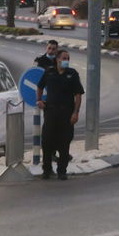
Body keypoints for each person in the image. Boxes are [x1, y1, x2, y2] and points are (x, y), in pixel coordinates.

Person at [36, 48, 84, 179]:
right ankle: (46, 170)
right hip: (51, 112)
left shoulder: (72, 74)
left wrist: (75, 113)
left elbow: (78, 95)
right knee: (47, 141)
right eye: (64, 58)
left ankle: (62, 171)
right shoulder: (49, 72)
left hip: (66, 113)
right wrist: (39, 100)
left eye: (68, 59)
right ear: (57, 59)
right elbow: (40, 86)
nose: (66, 61)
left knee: (64, 142)